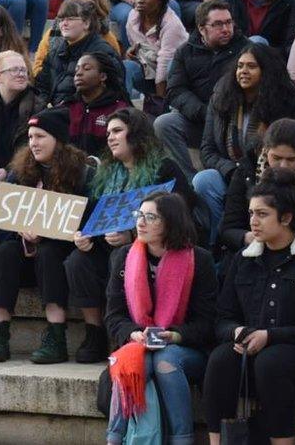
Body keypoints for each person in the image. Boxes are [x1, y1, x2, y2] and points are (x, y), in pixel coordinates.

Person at [204, 167, 295, 444]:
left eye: (262, 214)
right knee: (220, 359)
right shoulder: (243, 258)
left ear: (286, 217)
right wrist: (237, 332)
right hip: (259, 360)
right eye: (251, 213)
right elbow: (222, 318)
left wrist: (270, 337)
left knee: (272, 360)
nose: (253, 221)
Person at [64, 108, 199, 363]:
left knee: (123, 255)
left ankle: (130, 334)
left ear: (135, 134)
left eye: (117, 131)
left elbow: (182, 212)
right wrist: (83, 237)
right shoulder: (105, 173)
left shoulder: (164, 168)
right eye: (108, 133)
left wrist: (133, 236)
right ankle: (95, 332)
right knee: (76, 261)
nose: (110, 138)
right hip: (106, 245)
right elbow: (91, 217)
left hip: (151, 249)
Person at [104, 192, 216, 445]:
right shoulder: (123, 257)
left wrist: (175, 335)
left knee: (166, 359)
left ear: (171, 222)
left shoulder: (199, 259)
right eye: (139, 215)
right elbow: (113, 316)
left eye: (150, 217)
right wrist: (134, 333)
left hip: (186, 347)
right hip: (138, 343)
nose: (140, 222)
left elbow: (206, 322)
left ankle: (182, 440)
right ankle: (114, 439)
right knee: (132, 360)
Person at [0, 109, 95, 363]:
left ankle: (56, 337)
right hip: (22, 254)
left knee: (49, 252)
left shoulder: (82, 173)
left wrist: (48, 234)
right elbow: (1, 223)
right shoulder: (19, 172)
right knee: (4, 252)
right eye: (31, 137)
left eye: (41, 136)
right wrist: (18, 229)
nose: (33, 143)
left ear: (58, 139)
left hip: (59, 255)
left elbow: (86, 219)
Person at [195, 44, 295, 247]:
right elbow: (207, 149)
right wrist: (232, 171)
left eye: (251, 66)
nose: (243, 71)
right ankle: (220, 244)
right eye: (240, 66)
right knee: (204, 179)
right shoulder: (221, 100)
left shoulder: (286, 101)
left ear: (266, 70)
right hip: (234, 174)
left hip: (272, 174)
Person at [219, 118, 295, 255]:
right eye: (276, 158)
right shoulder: (248, 170)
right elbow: (229, 229)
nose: (283, 166)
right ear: (265, 150)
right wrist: (252, 238)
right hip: (256, 252)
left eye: (291, 159)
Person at [159, 0, 248, 179]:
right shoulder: (185, 52)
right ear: (201, 29)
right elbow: (175, 91)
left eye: (229, 22)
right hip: (200, 118)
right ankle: (189, 180)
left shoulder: (246, 48)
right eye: (218, 24)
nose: (226, 28)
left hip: (235, 120)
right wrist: (205, 112)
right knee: (164, 123)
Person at [35, 0, 121, 106]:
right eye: (61, 20)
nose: (64, 24)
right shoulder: (55, 51)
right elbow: (41, 86)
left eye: (70, 19)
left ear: (86, 23)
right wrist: (41, 107)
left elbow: (112, 89)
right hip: (56, 111)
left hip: (87, 112)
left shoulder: (101, 51)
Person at [123, 0, 188, 114]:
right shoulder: (133, 16)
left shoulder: (172, 24)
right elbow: (135, 42)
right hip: (148, 71)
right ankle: (124, 112)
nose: (139, 0)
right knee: (126, 67)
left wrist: (159, 100)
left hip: (172, 79)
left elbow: (164, 64)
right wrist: (132, 51)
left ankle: (165, 108)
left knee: (170, 65)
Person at [32, 0, 122, 77]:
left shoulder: (106, 38)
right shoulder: (52, 33)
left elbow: (113, 74)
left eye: (88, 4)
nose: (83, 7)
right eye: (78, 3)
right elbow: (38, 66)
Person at [60, 52, 130, 157]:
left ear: (102, 76)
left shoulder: (120, 109)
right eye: (76, 70)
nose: (78, 73)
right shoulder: (65, 107)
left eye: (86, 68)